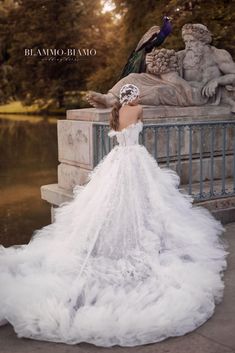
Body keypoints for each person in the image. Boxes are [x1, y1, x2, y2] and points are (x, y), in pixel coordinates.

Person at [0, 84, 229, 347]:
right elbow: (139, 128)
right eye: (137, 94)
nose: (139, 97)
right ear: (134, 97)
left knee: (111, 202)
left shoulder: (117, 112)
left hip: (117, 159)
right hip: (135, 159)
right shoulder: (138, 109)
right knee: (144, 200)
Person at [86, 24, 235, 112]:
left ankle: (117, 102)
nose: (188, 45)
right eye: (186, 41)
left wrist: (217, 81)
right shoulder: (182, 55)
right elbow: (163, 68)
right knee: (135, 77)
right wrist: (151, 64)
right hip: (178, 86)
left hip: (198, 95)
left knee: (159, 91)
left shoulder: (218, 55)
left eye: (192, 41)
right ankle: (110, 97)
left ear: (203, 41)